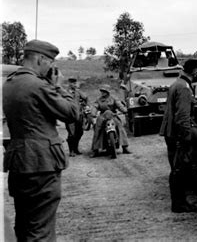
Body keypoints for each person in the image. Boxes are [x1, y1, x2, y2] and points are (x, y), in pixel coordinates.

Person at [2, 39, 80, 241]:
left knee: (25, 225)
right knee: (41, 230)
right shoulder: (38, 86)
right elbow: (72, 113)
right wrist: (59, 87)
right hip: (41, 165)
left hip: (19, 162)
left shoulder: (9, 83)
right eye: (49, 62)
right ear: (39, 59)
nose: (51, 68)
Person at [159, 58, 197, 213]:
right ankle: (179, 204)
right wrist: (186, 137)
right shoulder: (184, 87)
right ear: (194, 71)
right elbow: (182, 117)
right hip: (179, 134)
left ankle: (179, 202)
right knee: (180, 168)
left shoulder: (177, 83)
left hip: (171, 132)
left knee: (176, 167)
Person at [90, 85, 131, 158]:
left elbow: (119, 105)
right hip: (102, 116)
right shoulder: (99, 100)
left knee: (120, 127)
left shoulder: (113, 98)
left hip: (112, 115)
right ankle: (95, 150)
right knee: (97, 129)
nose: (102, 93)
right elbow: (95, 106)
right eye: (102, 91)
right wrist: (93, 113)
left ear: (107, 92)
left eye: (104, 91)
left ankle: (125, 147)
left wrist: (124, 110)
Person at [65, 77, 88, 157]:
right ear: (69, 83)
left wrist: (84, 104)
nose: (74, 85)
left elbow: (85, 98)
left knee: (79, 132)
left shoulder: (78, 92)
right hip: (69, 116)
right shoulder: (65, 92)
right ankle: (71, 151)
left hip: (78, 115)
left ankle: (75, 148)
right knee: (71, 133)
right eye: (72, 83)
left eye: (75, 83)